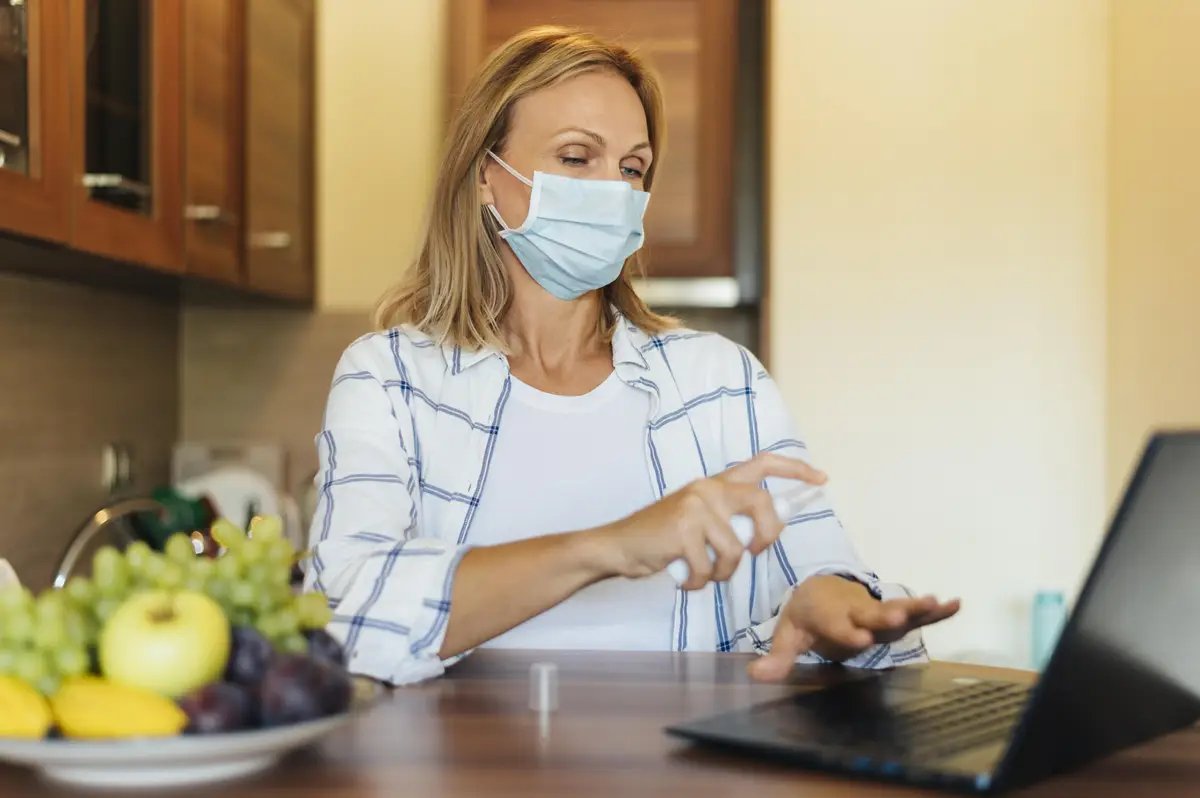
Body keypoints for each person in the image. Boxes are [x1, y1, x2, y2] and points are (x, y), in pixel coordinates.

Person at [304, 26, 959, 686]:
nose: (612, 190)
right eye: (576, 157)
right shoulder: (389, 379)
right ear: (483, 176)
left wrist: (829, 606)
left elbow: (818, 580)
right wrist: (612, 546)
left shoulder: (724, 382)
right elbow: (343, 625)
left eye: (631, 168)